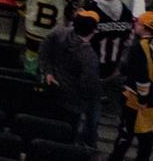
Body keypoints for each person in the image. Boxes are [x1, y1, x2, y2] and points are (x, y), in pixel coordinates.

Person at [109, 12, 153, 161]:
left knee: (126, 133)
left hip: (136, 99)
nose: (135, 25)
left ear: (146, 28)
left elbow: (141, 75)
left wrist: (142, 99)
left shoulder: (139, 47)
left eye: (138, 23)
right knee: (147, 135)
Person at [38, 8, 105, 142]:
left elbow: (44, 52)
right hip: (73, 104)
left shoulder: (58, 33)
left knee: (45, 132)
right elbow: (88, 85)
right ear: (94, 30)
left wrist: (48, 72)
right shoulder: (89, 57)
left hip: (51, 92)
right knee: (65, 139)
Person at [18, 0, 77, 75]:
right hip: (33, 31)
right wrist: (27, 16)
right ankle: (30, 76)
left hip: (52, 33)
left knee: (48, 57)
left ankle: (43, 79)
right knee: (31, 54)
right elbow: (20, 1)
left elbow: (71, 14)